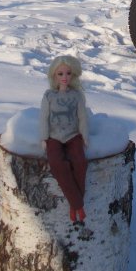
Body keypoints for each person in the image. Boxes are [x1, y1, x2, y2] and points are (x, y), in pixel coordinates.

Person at [39, 55, 89, 222]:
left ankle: (75, 205)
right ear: (54, 76)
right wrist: (44, 138)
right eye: (60, 74)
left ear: (74, 74)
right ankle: (77, 204)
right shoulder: (49, 96)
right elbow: (44, 118)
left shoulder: (76, 96)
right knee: (57, 163)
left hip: (73, 135)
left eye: (68, 73)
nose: (65, 77)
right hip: (54, 136)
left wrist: (84, 136)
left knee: (80, 162)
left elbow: (82, 117)